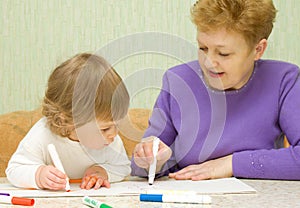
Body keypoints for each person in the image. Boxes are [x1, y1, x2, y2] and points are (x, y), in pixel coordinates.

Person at [131, 0, 300, 181]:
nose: (208, 62)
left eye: (223, 53)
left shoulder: (284, 80)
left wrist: (230, 164)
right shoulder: (177, 81)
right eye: (203, 48)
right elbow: (141, 166)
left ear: (258, 49)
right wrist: (149, 160)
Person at [6, 53, 131, 190]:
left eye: (117, 125)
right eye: (105, 129)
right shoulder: (43, 135)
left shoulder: (110, 141)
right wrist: (38, 175)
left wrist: (102, 172)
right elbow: (14, 170)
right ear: (66, 119)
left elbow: (123, 167)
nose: (113, 134)